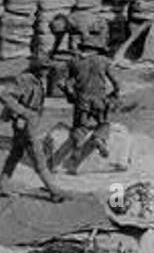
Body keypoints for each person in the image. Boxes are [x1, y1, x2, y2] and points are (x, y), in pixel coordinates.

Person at [0, 55, 67, 201]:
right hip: (24, 123)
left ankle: (1, 185)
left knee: (16, 153)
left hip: (29, 121)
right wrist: (25, 113)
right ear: (36, 67)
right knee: (38, 155)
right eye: (44, 68)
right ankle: (54, 190)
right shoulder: (25, 79)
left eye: (48, 68)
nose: (47, 72)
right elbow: (5, 96)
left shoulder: (37, 79)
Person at [51, 38, 121, 173]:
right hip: (100, 99)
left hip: (81, 99)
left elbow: (61, 82)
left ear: (83, 47)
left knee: (79, 126)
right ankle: (99, 138)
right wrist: (114, 94)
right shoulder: (104, 61)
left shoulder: (74, 61)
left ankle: (78, 144)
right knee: (104, 123)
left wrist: (69, 95)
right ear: (98, 49)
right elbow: (116, 82)